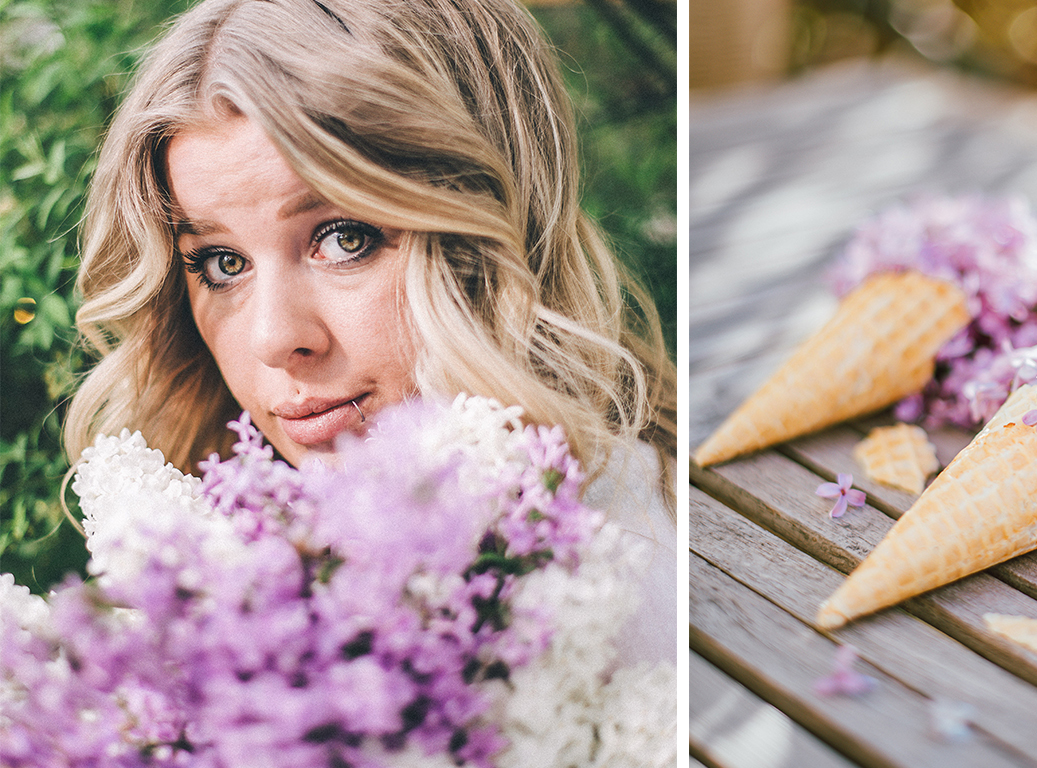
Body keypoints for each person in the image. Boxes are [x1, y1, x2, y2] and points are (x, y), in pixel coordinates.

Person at [62, 0, 676, 663]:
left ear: (494, 228)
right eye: (223, 263)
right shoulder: (207, 604)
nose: (275, 338)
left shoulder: (618, 587)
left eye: (343, 237)